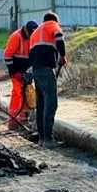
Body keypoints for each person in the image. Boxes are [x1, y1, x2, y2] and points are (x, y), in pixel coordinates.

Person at [28, 11, 65, 146]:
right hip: (46, 69)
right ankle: (48, 140)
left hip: (36, 70)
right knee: (51, 103)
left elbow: (31, 54)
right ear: (55, 20)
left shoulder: (35, 32)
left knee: (41, 104)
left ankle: (42, 139)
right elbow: (59, 38)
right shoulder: (52, 25)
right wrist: (62, 55)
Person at [2, 20, 38, 127]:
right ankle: (14, 122)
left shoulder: (34, 37)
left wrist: (30, 72)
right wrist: (15, 72)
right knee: (18, 94)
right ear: (26, 30)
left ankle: (24, 120)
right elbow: (7, 56)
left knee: (27, 94)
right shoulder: (16, 37)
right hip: (16, 71)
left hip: (26, 70)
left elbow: (33, 57)